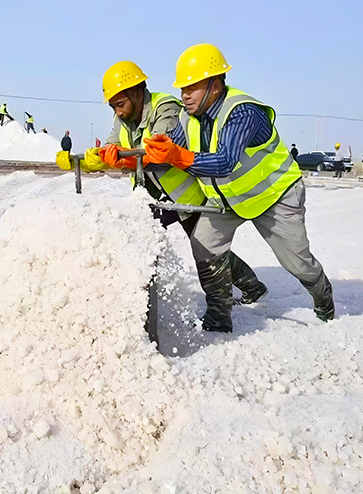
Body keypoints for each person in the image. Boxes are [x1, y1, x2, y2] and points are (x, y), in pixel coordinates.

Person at [142, 43, 334, 331]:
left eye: (192, 87)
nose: (185, 95)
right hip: (228, 200)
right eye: (183, 88)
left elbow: (224, 162)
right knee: (204, 247)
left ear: (215, 86)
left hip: (273, 195)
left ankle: (325, 303)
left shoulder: (242, 111)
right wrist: (132, 158)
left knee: (297, 263)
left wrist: (176, 155)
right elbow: (173, 153)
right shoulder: (186, 118)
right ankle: (219, 317)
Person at [55, 61, 266, 307]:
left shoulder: (165, 108)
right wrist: (82, 161)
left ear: (137, 91)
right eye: (113, 106)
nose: (118, 112)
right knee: (138, 239)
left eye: (120, 104)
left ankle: (242, 292)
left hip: (183, 194)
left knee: (206, 250)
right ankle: (135, 296)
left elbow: (160, 156)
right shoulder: (122, 118)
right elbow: (111, 150)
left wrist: (123, 158)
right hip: (151, 196)